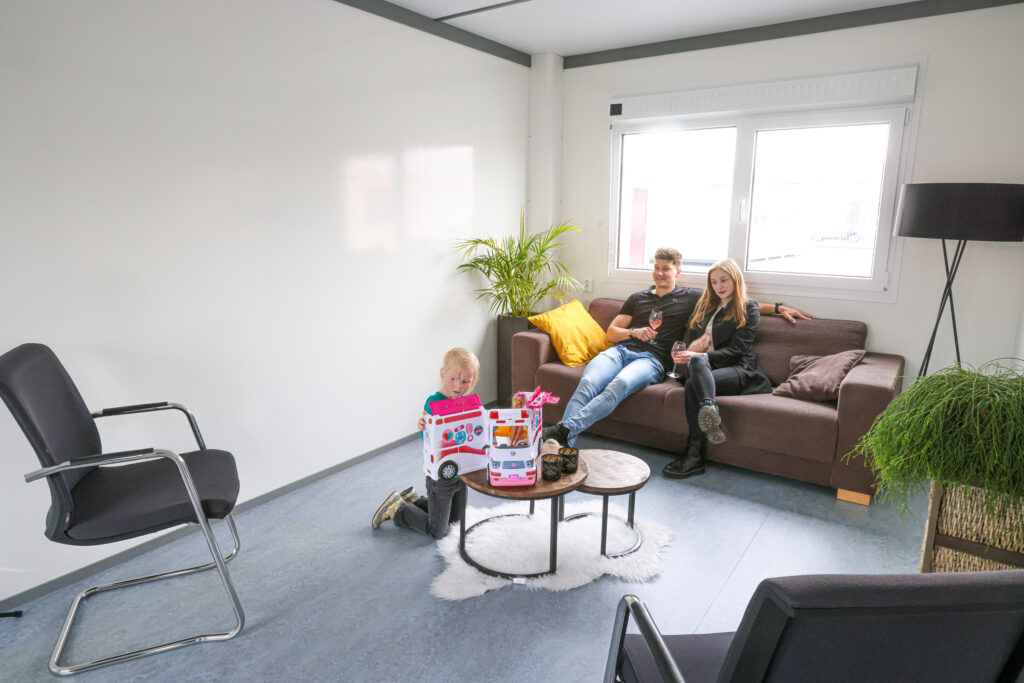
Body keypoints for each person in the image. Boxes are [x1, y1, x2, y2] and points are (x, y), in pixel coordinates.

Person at [542, 247, 809, 448]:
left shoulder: (692, 297)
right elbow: (611, 334)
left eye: (666, 268)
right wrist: (634, 332)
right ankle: (563, 446)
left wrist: (778, 307)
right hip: (619, 351)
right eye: (656, 267)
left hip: (651, 360)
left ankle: (560, 434)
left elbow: (736, 300)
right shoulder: (636, 298)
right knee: (588, 382)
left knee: (618, 385)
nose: (660, 273)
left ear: (677, 272)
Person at [662, 258, 773, 480]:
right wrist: (693, 350)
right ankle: (709, 410)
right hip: (704, 370)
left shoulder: (748, 307)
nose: (719, 286)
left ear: (735, 279)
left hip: (738, 368)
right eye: (714, 282)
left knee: (694, 381)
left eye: (724, 280)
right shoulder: (706, 307)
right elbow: (694, 344)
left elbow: (738, 350)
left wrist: (700, 356)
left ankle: (694, 455)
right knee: (696, 367)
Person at [371, 347, 479, 537]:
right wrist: (424, 427)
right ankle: (398, 510)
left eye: (465, 381)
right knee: (438, 531)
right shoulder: (433, 402)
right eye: (453, 379)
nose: (458, 386)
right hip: (441, 478)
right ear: (442, 374)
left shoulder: (464, 402)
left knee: (456, 523)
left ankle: (415, 500)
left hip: (461, 474)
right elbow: (428, 439)